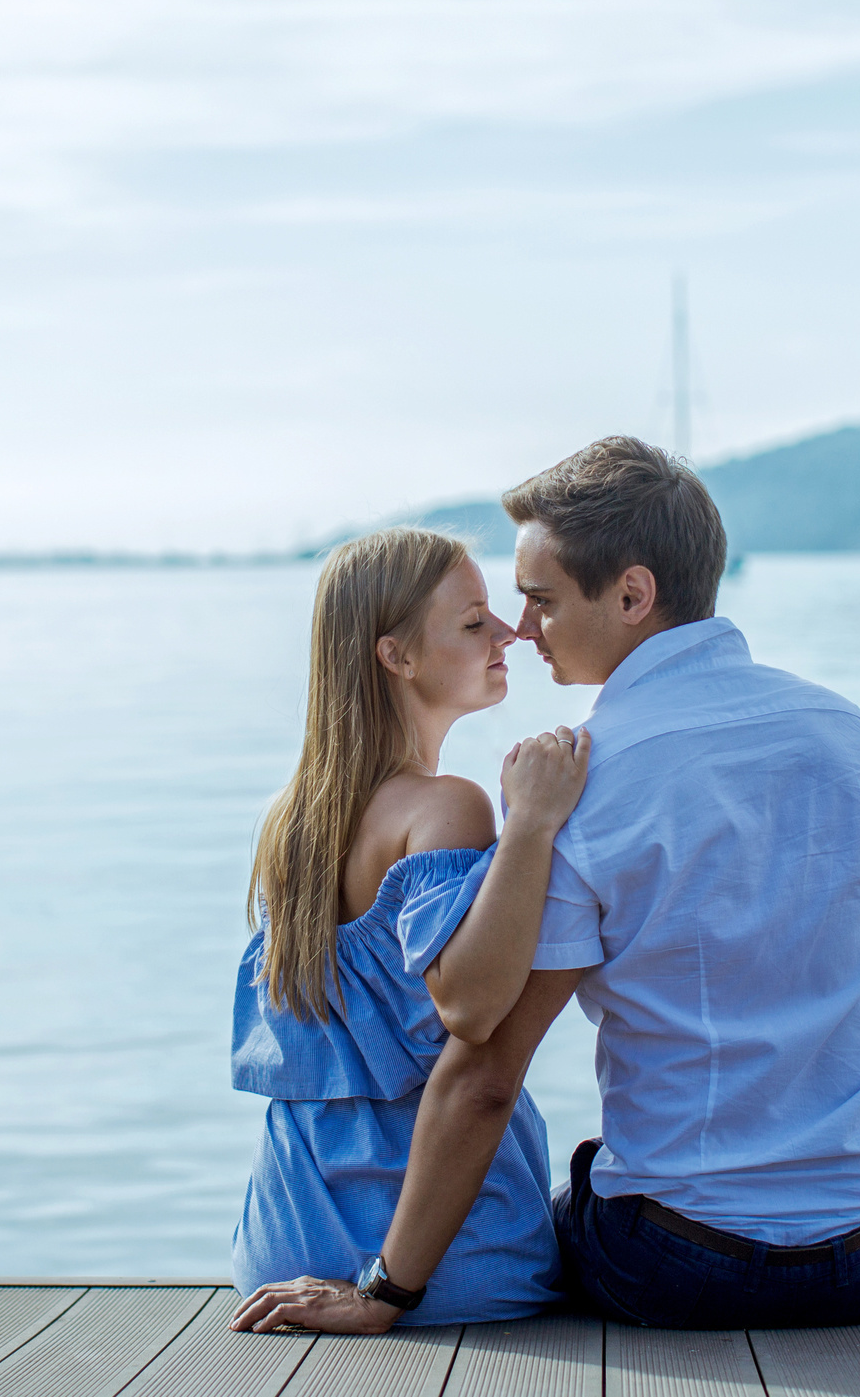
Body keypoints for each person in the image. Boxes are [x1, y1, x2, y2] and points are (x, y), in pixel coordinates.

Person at [238, 437, 860, 1333]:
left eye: (539, 600)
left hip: (685, 1266)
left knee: (569, 1207)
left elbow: (485, 1066)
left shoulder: (585, 780)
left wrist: (387, 1290)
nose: (522, 630)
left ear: (633, 595)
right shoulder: (858, 739)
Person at [226, 526, 593, 1325]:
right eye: (473, 623)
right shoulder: (447, 807)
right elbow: (473, 1005)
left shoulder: (289, 826)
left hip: (280, 1250)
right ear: (396, 656)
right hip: (444, 1267)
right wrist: (529, 827)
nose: (509, 633)